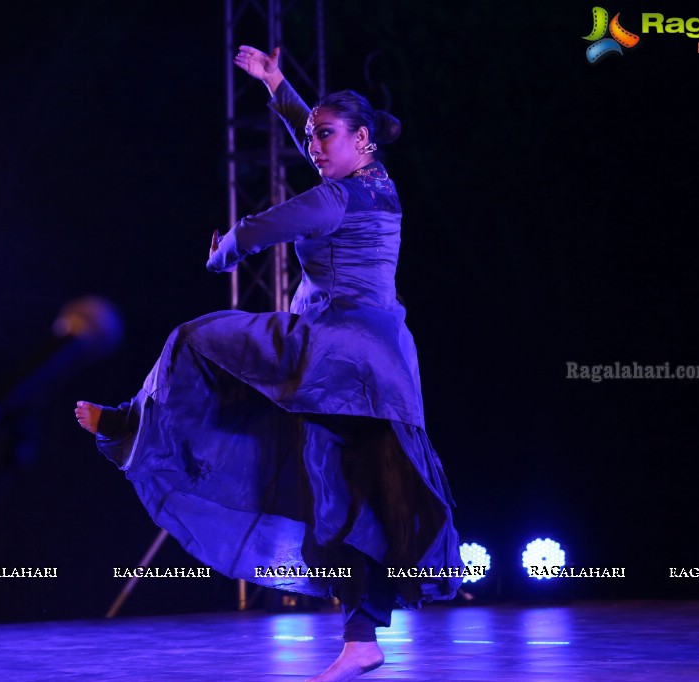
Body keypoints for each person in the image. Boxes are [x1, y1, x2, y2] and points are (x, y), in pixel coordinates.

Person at [75, 45, 462, 682]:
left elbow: (266, 225)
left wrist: (224, 251)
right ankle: (361, 640)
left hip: (337, 353)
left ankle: (129, 424)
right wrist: (279, 85)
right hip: (383, 365)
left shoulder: (337, 200)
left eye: (326, 136)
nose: (314, 145)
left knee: (196, 337)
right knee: (352, 496)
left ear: (361, 139)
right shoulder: (377, 185)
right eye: (311, 136)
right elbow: (316, 131)